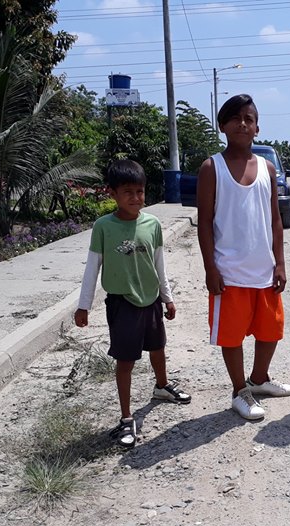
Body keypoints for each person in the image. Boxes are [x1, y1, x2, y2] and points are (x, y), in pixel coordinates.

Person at [74, 159, 191, 448]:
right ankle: (127, 418)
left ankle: (162, 386)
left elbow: (159, 264)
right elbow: (92, 267)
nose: (136, 198)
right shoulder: (103, 227)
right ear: (112, 193)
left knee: (158, 347)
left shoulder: (153, 224)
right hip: (122, 303)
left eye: (140, 191)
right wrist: (83, 305)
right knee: (125, 361)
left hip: (151, 300)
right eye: (128, 192)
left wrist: (167, 298)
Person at [196, 94, 290, 422]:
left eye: (248, 119)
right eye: (235, 118)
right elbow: (205, 223)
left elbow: (275, 220)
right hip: (230, 273)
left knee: (271, 330)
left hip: (264, 270)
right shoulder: (212, 168)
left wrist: (280, 262)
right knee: (232, 335)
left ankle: (259, 378)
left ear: (257, 127)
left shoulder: (267, 169)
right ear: (222, 125)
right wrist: (210, 268)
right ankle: (240, 391)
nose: (242, 124)